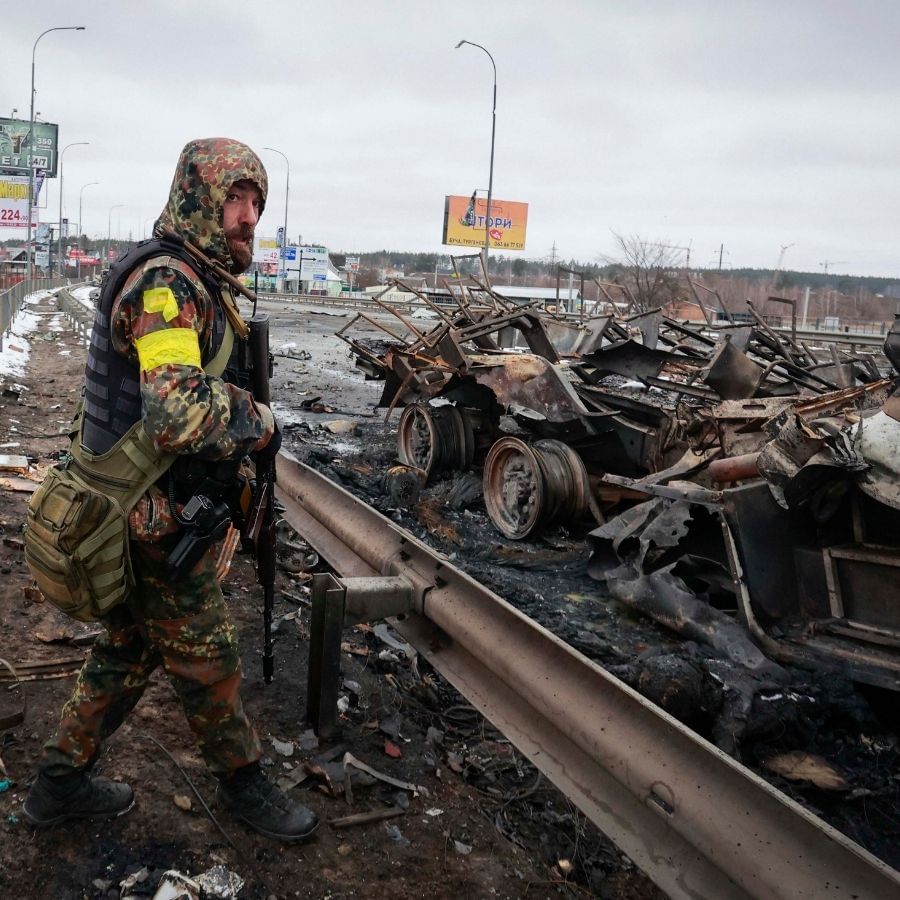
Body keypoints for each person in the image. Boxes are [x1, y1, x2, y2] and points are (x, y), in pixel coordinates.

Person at [23, 137, 318, 842]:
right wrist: (262, 421)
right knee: (207, 651)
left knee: (128, 647)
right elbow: (178, 408)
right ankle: (247, 787)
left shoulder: (195, 276)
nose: (248, 216)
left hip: (147, 504)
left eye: (256, 203)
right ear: (199, 200)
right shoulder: (168, 285)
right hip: (146, 513)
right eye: (235, 200)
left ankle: (55, 788)